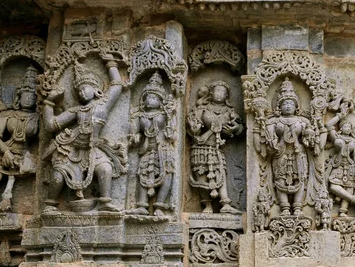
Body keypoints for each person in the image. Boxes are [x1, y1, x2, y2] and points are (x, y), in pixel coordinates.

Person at [42, 56, 126, 213]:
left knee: (105, 168)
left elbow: (117, 85)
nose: (81, 93)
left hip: (93, 147)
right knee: (58, 176)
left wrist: (111, 63)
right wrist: (49, 102)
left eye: (84, 88)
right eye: (78, 90)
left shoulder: (103, 105)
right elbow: (51, 125)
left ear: (95, 89)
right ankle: (50, 204)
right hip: (71, 147)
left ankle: (104, 202)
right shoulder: (76, 110)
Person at [255, 79, 323, 217]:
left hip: (299, 154)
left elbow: (310, 140)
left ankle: (297, 207)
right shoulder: (273, 121)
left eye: (291, 103)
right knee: (279, 179)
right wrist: (269, 138)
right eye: (285, 103)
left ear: (296, 106)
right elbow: (267, 137)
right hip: (280, 154)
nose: (288, 106)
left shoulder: (303, 121)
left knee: (301, 178)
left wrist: (310, 135)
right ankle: (284, 207)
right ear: (279, 106)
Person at [188, 81, 243, 214]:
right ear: (211, 94)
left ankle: (225, 203)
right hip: (201, 146)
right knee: (201, 174)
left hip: (217, 148)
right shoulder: (203, 109)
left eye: (223, 92)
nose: (219, 95)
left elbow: (240, 127)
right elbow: (193, 129)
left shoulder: (230, 111)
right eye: (217, 91)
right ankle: (207, 205)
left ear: (227, 96)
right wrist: (194, 128)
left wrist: (235, 129)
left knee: (221, 172)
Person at [129, 71, 176, 217]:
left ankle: (160, 206)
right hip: (146, 149)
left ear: (161, 101)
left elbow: (172, 134)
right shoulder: (139, 116)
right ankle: (142, 205)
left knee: (167, 175)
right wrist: (134, 136)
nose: (151, 100)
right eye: (148, 97)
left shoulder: (165, 114)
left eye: (154, 97)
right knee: (143, 173)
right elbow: (133, 132)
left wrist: (170, 122)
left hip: (164, 149)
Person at [0, 65, 39, 211]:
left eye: (32, 95)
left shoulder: (38, 117)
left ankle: (7, 200)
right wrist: (5, 151)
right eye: (25, 94)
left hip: (26, 155)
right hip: (4, 152)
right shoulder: (7, 115)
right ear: (19, 96)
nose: (28, 98)